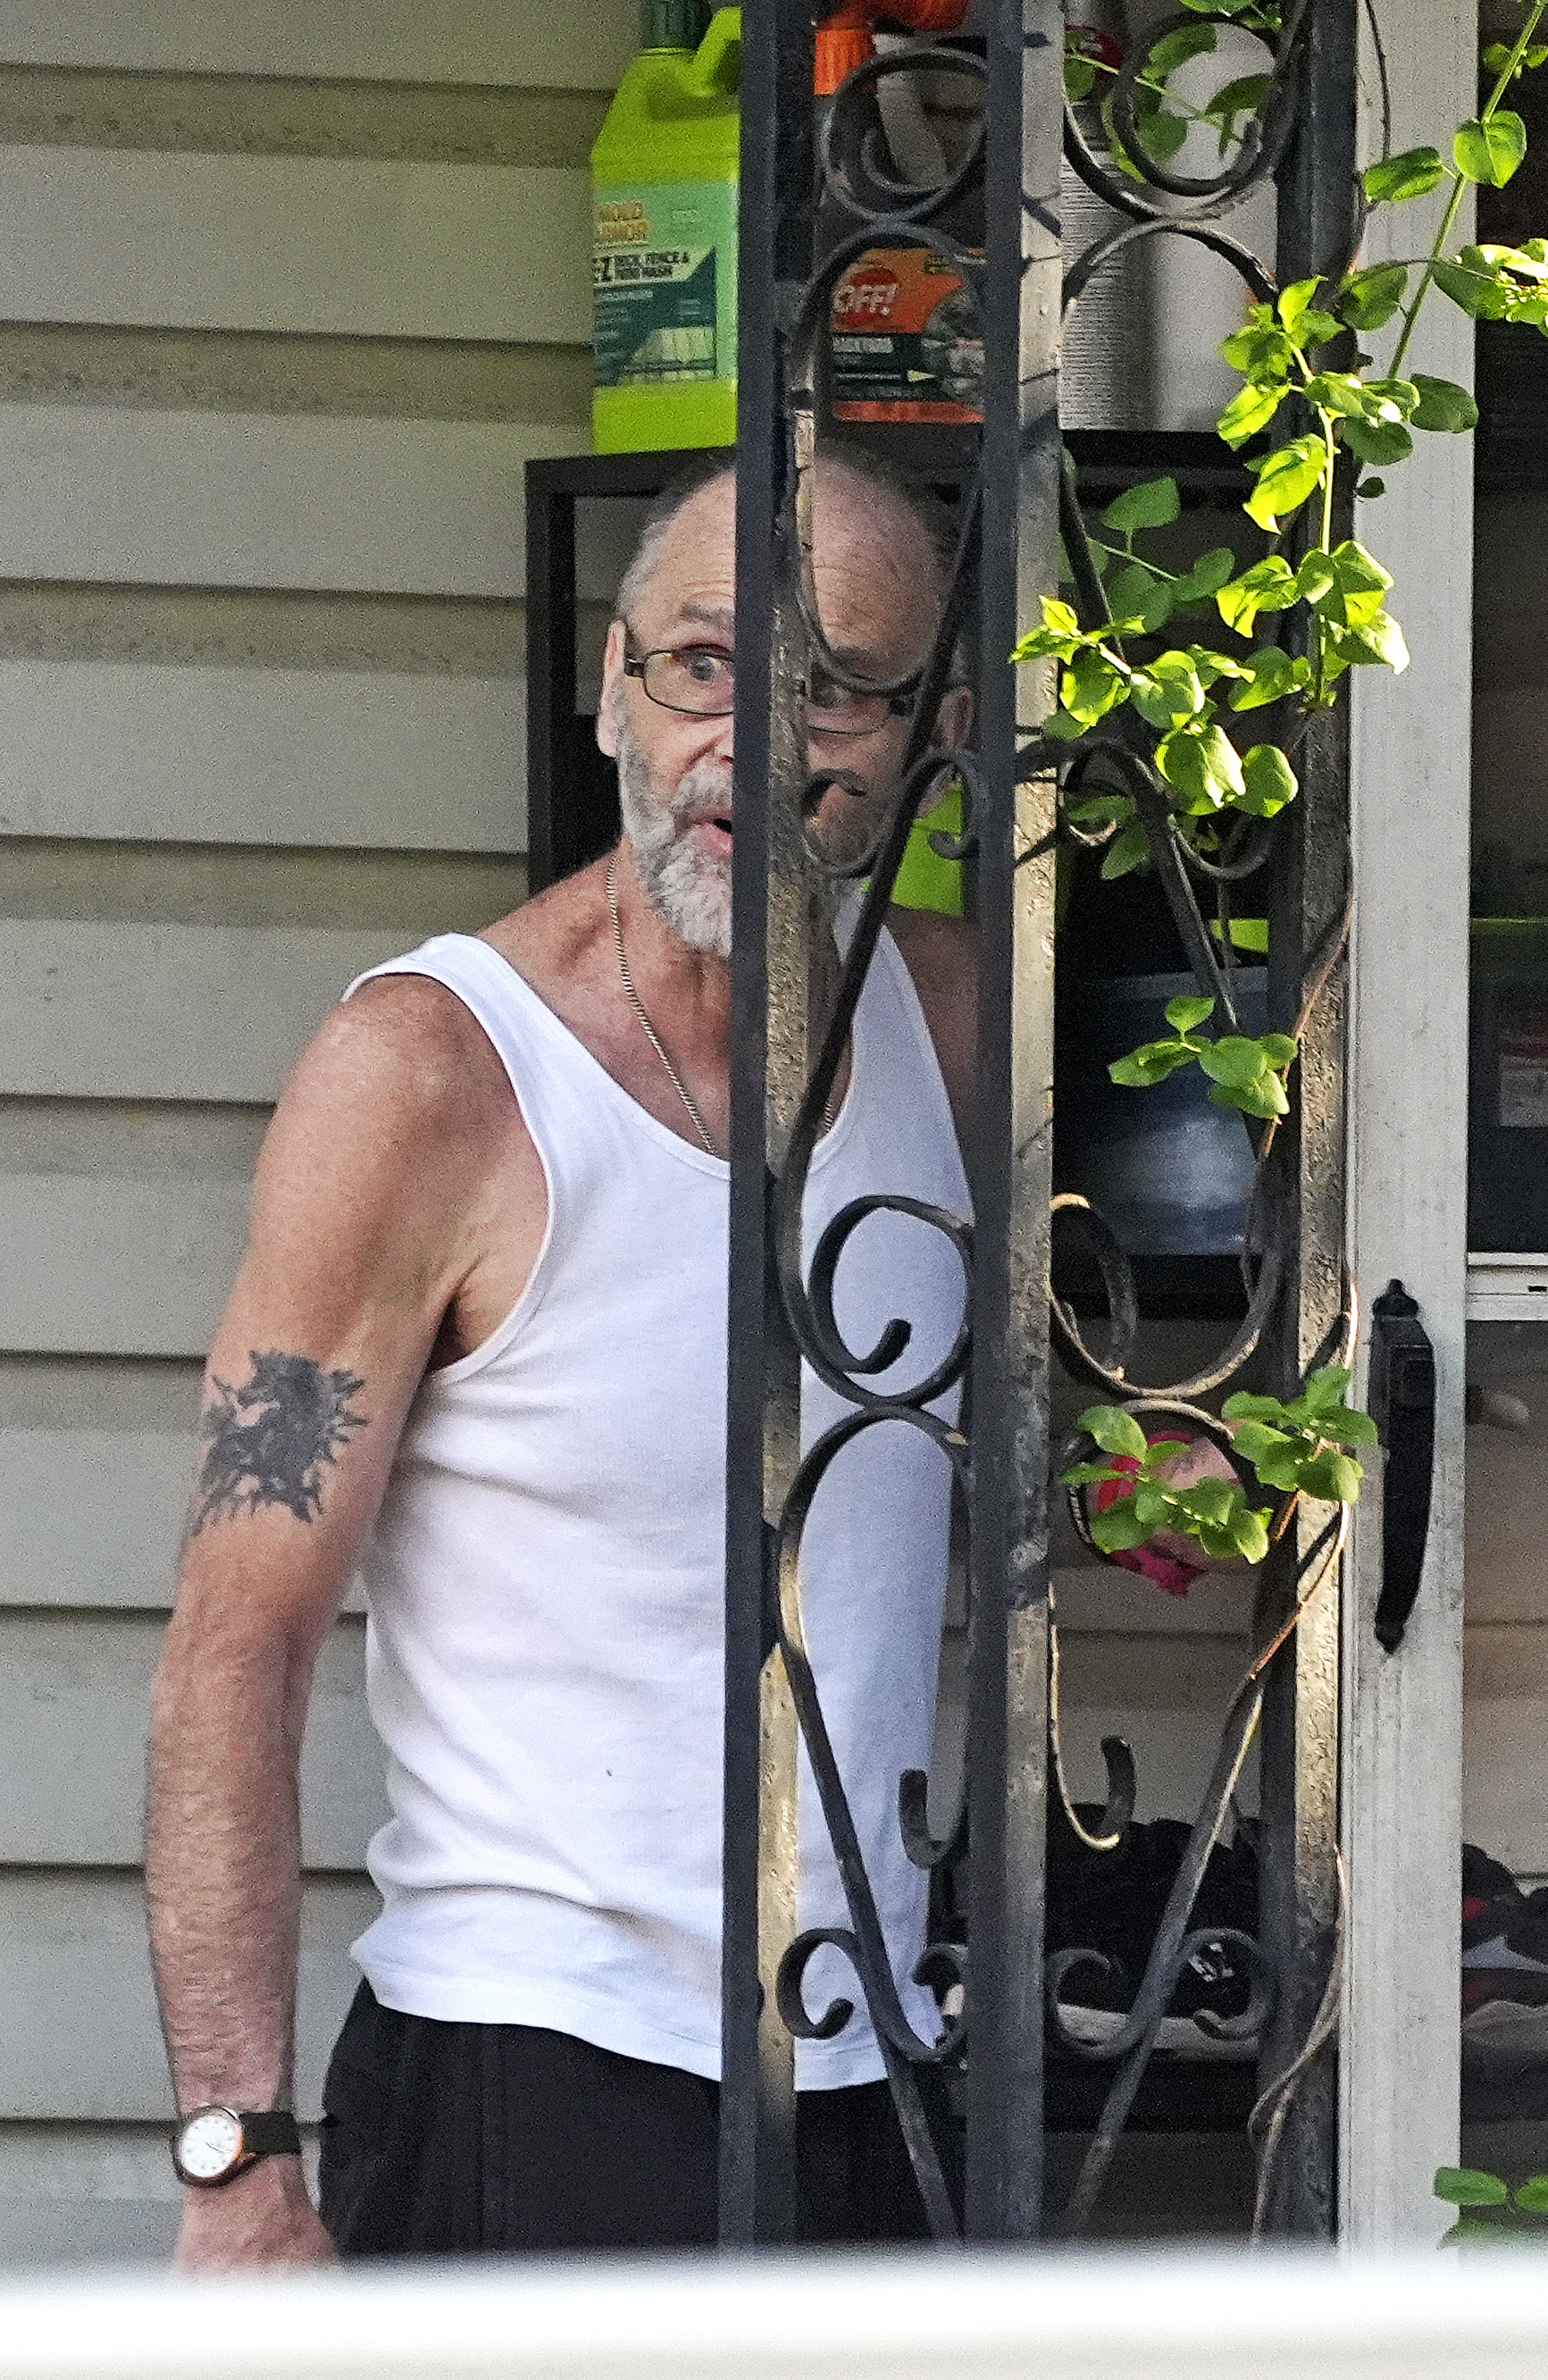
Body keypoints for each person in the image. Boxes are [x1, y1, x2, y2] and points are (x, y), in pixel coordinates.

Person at [143, 448, 999, 2268]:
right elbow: (240, 1633)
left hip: (875, 2065)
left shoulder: (957, 1022)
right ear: (613, 680)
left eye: (844, 686)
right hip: (535, 2062)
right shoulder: (433, 1075)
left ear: (937, 728)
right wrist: (235, 2154)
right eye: (705, 667)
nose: (760, 747)